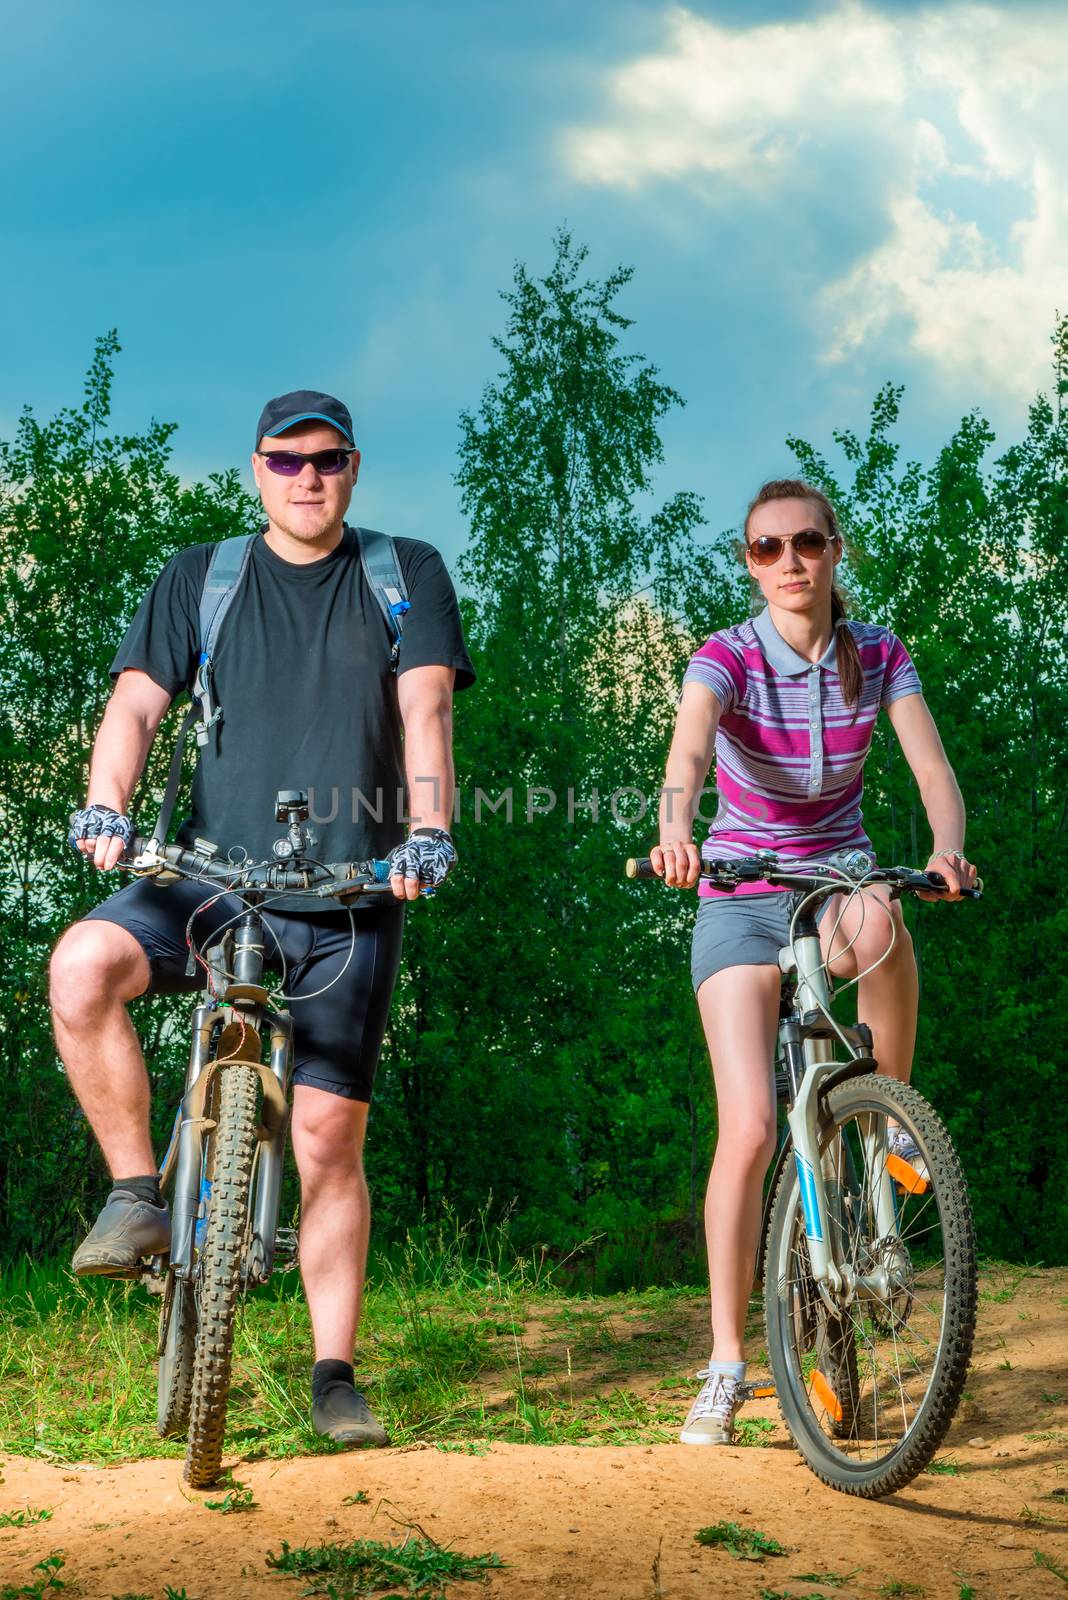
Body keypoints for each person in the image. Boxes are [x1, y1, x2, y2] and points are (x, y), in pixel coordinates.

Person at [50, 389, 475, 1447]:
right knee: (82, 965)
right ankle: (138, 1192)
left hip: (351, 886)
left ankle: (335, 1372)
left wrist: (428, 831)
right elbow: (138, 705)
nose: (307, 478)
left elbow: (426, 709)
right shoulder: (203, 577)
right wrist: (106, 802)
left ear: (354, 467)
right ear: (256, 470)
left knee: (330, 1139)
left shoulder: (402, 571)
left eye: (325, 460)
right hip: (204, 876)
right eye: (285, 462)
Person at [652, 477, 977, 1447]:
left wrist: (947, 848)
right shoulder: (728, 657)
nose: (788, 561)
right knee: (749, 1126)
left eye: (805, 542)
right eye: (766, 548)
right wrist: (676, 831)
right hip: (742, 894)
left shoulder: (875, 653)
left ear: (837, 549)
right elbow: (688, 757)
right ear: (751, 561)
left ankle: (888, 1123)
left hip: (837, 881)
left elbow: (931, 770)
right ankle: (724, 1364)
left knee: (887, 921)